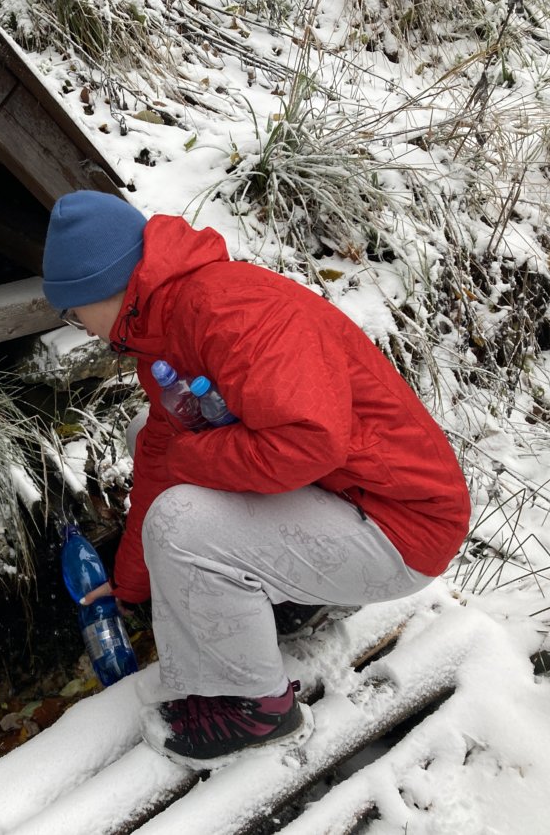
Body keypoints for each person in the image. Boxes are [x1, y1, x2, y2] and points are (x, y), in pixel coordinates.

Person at [41, 190, 471, 769]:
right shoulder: (167, 324)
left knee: (181, 519)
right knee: (156, 437)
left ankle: (256, 707)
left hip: (402, 525)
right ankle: (293, 602)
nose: (78, 327)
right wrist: (130, 582)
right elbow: (160, 456)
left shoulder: (229, 313)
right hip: (350, 495)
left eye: (72, 312)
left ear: (102, 287)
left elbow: (307, 442)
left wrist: (191, 462)